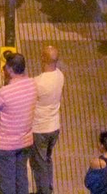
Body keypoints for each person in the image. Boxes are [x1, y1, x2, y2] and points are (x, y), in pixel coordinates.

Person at [0, 51, 39, 194]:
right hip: (25, 141)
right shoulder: (33, 85)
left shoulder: (5, 92)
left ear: (10, 70)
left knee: (8, 180)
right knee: (21, 176)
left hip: (7, 144)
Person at [30, 45, 64, 194]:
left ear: (43, 58)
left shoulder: (37, 82)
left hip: (40, 128)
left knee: (39, 163)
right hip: (54, 127)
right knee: (48, 159)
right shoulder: (60, 75)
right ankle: (49, 186)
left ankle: (44, 191)